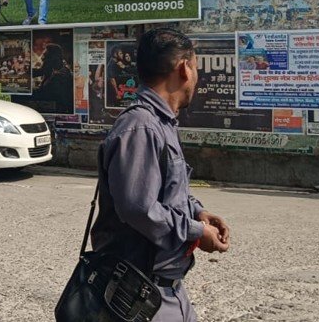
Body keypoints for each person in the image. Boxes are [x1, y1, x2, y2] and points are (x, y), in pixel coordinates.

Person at [91, 28, 230, 321]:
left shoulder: (161, 123)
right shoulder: (141, 127)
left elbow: (165, 188)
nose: (197, 78)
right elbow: (139, 208)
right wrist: (195, 232)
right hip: (137, 295)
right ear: (184, 68)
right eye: (196, 67)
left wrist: (198, 212)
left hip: (164, 289)